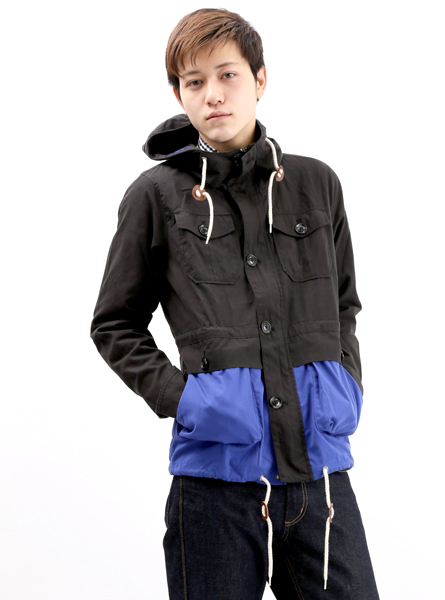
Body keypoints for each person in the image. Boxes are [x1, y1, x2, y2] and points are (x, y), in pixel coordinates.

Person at [90, 7, 380, 599]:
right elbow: (114, 323)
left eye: (228, 75)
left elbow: (344, 304)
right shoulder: (156, 196)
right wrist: (186, 400)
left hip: (321, 477)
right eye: (194, 82)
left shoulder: (316, 184)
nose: (213, 94)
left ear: (260, 79)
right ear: (179, 93)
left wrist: (344, 386)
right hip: (214, 488)